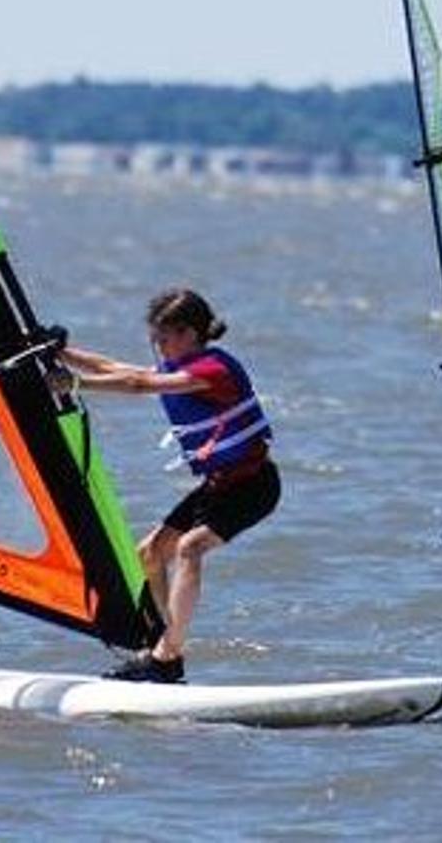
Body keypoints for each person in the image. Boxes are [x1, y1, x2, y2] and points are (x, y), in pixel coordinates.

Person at [60, 288, 280, 685]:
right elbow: (117, 367)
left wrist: (76, 385)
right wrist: (60, 351)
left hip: (254, 487)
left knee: (188, 548)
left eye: (164, 338)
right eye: (155, 339)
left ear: (191, 334)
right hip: (218, 486)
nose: (158, 347)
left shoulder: (211, 371)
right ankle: (166, 651)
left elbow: (139, 384)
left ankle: (165, 655)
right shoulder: (182, 366)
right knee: (148, 554)